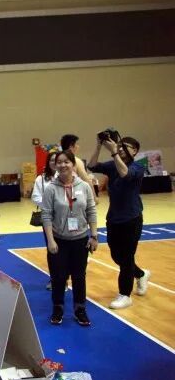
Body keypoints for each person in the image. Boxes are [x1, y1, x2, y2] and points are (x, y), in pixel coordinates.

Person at [88, 135, 149, 309]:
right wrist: (99, 146)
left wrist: (114, 153)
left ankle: (124, 295)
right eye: (119, 146)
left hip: (131, 218)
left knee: (127, 257)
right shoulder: (112, 165)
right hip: (113, 218)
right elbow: (92, 165)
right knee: (117, 256)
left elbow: (125, 173)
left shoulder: (138, 166)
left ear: (135, 151)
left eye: (125, 146)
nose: (120, 148)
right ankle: (141, 274)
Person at [41, 151, 98, 326]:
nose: (63, 165)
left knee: (79, 277)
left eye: (66, 162)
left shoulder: (84, 186)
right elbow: (46, 215)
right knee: (58, 277)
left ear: (73, 164)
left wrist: (94, 236)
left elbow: (91, 210)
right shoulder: (51, 188)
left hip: (80, 240)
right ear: (55, 165)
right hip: (59, 240)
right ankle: (58, 308)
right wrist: (50, 240)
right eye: (59, 162)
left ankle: (80, 309)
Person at [32, 151, 58, 290]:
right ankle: (54, 279)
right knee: (52, 249)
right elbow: (35, 197)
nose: (55, 163)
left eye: (57, 160)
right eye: (52, 160)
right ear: (48, 162)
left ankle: (64, 277)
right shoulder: (41, 179)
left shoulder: (68, 176)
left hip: (66, 218)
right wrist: (49, 205)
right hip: (48, 219)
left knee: (66, 249)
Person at [60, 134, 98, 203]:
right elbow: (86, 180)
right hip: (73, 197)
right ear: (71, 146)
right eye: (76, 144)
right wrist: (94, 198)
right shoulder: (76, 161)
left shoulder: (57, 160)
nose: (78, 146)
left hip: (59, 196)